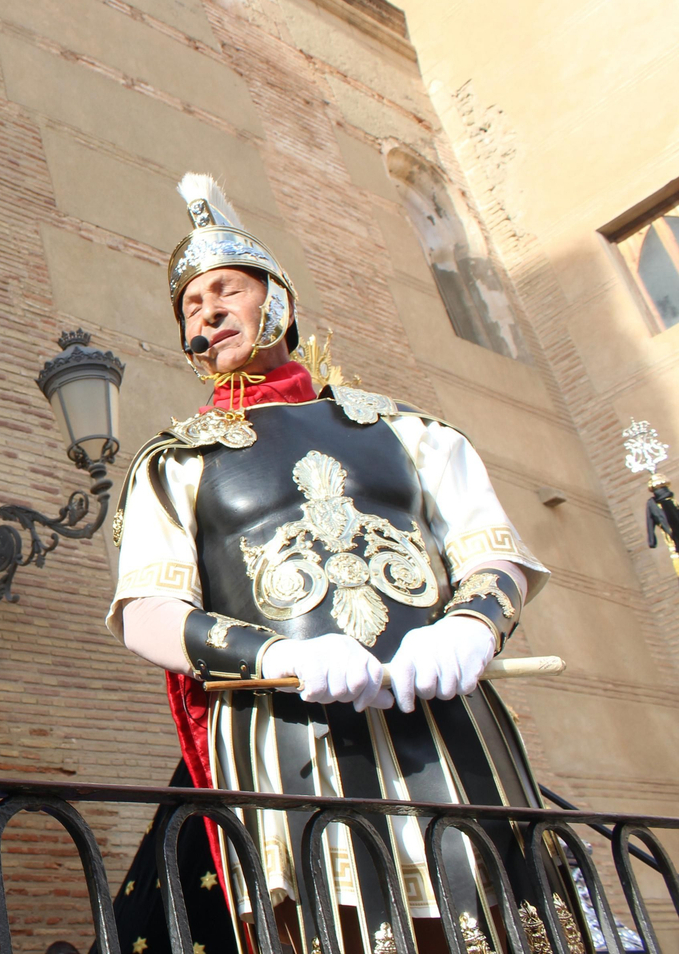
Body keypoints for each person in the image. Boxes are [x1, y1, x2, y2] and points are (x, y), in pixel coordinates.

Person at [108, 175, 578, 954]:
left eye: (226, 291)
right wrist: (280, 652)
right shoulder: (174, 461)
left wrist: (470, 628)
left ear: (279, 302)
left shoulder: (411, 430)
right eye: (191, 305)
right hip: (284, 736)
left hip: (447, 719)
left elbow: (494, 553)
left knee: (502, 920)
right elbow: (147, 613)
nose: (208, 312)